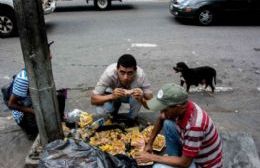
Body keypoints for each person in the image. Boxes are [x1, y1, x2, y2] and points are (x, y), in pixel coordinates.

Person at [136, 83, 223, 168]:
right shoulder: (182, 106)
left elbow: (185, 163)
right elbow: (161, 118)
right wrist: (149, 144)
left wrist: (152, 157)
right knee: (167, 123)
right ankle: (173, 156)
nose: (161, 112)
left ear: (178, 107)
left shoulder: (195, 126)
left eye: (164, 109)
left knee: (158, 167)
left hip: (201, 163)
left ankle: (173, 160)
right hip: (192, 151)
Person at [7, 44, 66, 140]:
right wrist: (35, 112)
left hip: (35, 103)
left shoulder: (42, 70)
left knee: (60, 96)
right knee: (44, 135)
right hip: (25, 113)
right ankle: (31, 131)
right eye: (47, 54)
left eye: (49, 52)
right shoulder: (24, 78)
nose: (50, 56)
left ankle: (59, 120)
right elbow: (11, 104)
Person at [91, 54, 153, 120]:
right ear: (117, 69)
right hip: (112, 93)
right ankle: (111, 115)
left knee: (138, 94)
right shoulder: (109, 73)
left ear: (135, 71)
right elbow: (93, 100)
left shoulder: (141, 76)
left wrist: (141, 99)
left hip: (132, 98)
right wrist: (112, 96)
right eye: (122, 72)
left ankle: (131, 118)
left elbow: (152, 106)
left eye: (129, 73)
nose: (125, 77)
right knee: (103, 114)